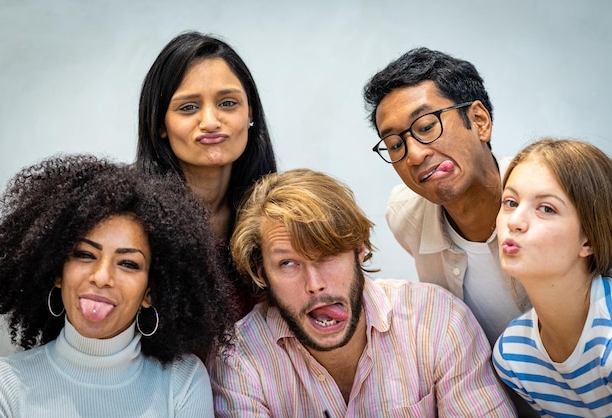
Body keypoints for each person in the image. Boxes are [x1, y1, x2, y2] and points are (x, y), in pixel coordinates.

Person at [207, 168, 515, 416]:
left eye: (327, 255)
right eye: (288, 263)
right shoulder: (239, 360)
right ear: (263, 274)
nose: (314, 284)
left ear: (359, 250)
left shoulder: (439, 322)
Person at [0, 154, 238, 417]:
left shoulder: (182, 382)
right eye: (85, 255)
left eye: (129, 264)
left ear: (150, 291)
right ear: (57, 272)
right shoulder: (2, 384)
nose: (101, 277)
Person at [362, 47, 532, 347]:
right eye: (394, 144)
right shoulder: (406, 216)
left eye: (427, 126)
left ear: (479, 121)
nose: (414, 154)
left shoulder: (554, 197)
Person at [136, 31, 277, 317]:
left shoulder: (274, 215)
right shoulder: (131, 218)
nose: (211, 122)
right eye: (188, 108)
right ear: (160, 124)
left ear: (250, 113)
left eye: (228, 103)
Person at [492, 138, 612, 416]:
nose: (514, 221)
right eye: (510, 202)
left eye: (546, 208)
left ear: (589, 241)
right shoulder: (513, 354)